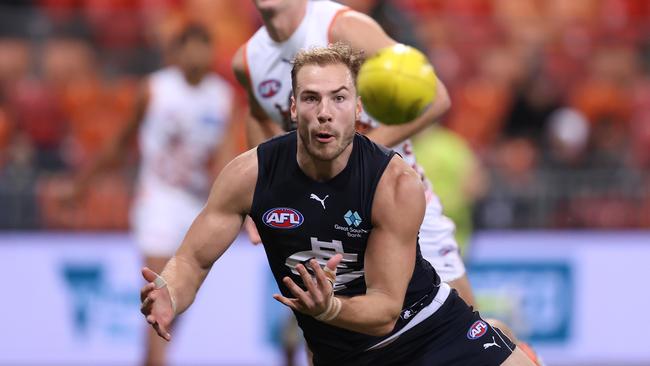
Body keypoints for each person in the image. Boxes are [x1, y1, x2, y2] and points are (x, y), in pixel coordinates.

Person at [140, 43, 535, 366]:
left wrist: (328, 309)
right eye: (311, 99)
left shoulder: (393, 182)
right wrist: (170, 292)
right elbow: (193, 261)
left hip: (429, 331)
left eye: (338, 98)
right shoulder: (250, 175)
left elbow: (384, 311)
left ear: (357, 108)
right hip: (343, 357)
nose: (325, 113)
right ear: (293, 108)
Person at [232, 0, 475, 311]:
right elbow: (257, 116)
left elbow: (435, 97)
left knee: (466, 328)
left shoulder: (342, 27)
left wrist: (359, 153)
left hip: (399, 199)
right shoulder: (248, 61)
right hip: (329, 213)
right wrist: (262, 192)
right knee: (328, 333)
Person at [65, 24, 235, 366]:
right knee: (161, 294)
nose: (198, 55)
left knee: (181, 299)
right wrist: (82, 184)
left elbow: (225, 157)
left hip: (197, 206)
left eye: (204, 46)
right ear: (177, 52)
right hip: (157, 201)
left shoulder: (221, 96)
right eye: (191, 46)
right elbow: (121, 141)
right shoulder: (156, 90)